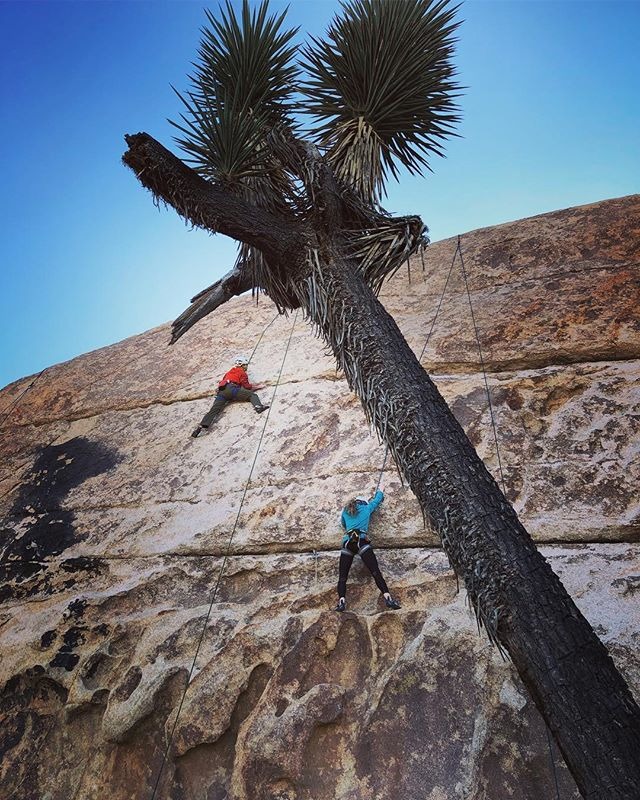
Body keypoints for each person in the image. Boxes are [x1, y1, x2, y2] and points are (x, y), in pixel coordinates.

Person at [335, 485, 401, 612]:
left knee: (343, 577)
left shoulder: (345, 511)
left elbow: (342, 524)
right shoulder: (366, 508)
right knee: (375, 572)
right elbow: (377, 500)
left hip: (348, 542)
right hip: (361, 541)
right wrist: (380, 490)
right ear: (363, 502)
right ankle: (388, 598)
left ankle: (341, 602)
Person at [191, 356, 269, 437]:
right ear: (241, 365)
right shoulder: (242, 373)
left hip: (222, 392)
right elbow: (247, 387)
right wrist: (258, 387)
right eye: (245, 365)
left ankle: (200, 428)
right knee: (252, 395)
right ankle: (258, 406)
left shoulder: (228, 373)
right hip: (232, 389)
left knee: (214, 409)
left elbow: (223, 381)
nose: (246, 367)